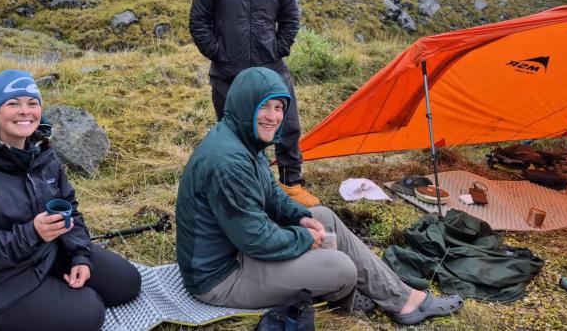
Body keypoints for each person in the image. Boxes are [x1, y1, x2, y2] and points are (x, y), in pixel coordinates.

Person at [175, 67, 464, 325]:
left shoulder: (244, 141)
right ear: (245, 104)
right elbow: (255, 239)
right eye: (264, 106)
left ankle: (402, 299)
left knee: (321, 216)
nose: (273, 116)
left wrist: (300, 218)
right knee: (343, 269)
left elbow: (272, 195)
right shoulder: (228, 162)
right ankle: (346, 292)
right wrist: (304, 238)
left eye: (279, 107)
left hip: (238, 250)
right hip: (220, 278)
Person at [0, 70, 141, 331]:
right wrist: (31, 233)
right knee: (90, 312)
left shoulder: (40, 152)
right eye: (13, 103)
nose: (25, 111)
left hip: (45, 253)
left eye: (32, 103)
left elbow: (68, 206)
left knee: (127, 283)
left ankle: (55, 284)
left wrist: (79, 256)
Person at [189, 0, 319, 207]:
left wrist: (277, 49)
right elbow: (199, 21)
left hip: (271, 68)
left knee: (288, 126)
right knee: (234, 135)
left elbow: (290, 18)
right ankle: (245, 187)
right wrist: (219, 53)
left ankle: (291, 184)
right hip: (228, 73)